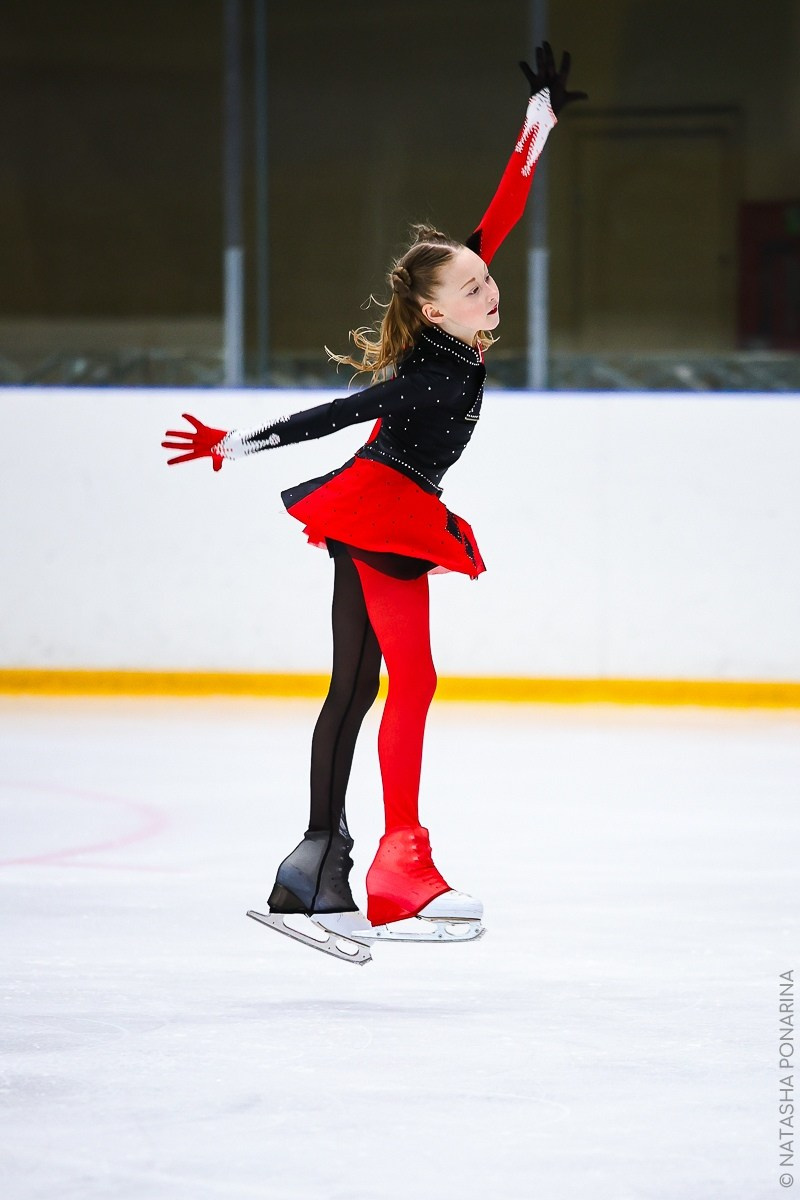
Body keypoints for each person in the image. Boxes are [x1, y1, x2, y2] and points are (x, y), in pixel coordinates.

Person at [163, 44, 586, 964]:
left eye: (486, 278)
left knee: (356, 687)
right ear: (437, 313)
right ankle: (400, 864)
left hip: (380, 506)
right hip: (385, 510)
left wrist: (536, 126)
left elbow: (500, 217)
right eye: (472, 285)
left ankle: (312, 870)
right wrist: (240, 444)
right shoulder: (433, 378)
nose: (490, 286)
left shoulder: (452, 338)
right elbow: (340, 412)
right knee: (411, 681)